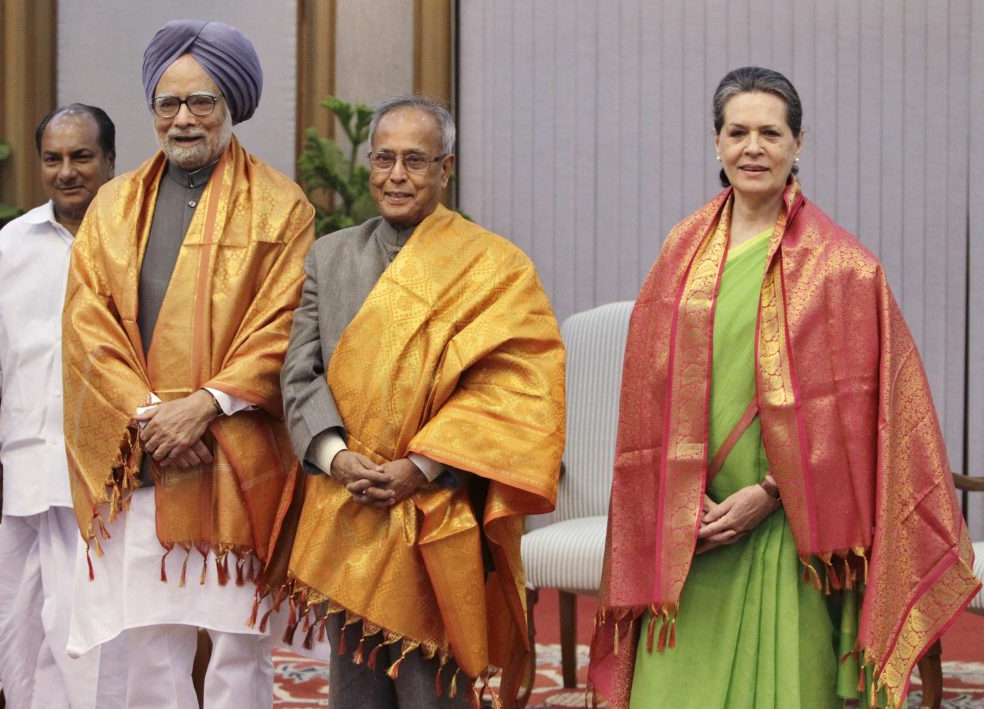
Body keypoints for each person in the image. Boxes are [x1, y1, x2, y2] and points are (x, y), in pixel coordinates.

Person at [589, 66, 979, 708]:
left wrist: (769, 493)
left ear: (798, 144)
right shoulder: (681, 248)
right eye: (737, 131)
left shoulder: (843, 268)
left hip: (788, 523)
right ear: (716, 142)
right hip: (689, 523)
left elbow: (864, 413)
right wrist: (680, 497)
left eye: (770, 132)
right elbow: (648, 391)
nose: (753, 147)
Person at [274, 94, 565, 707]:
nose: (396, 175)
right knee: (354, 683)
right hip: (349, 501)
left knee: (432, 688)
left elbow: (512, 389)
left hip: (438, 506)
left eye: (414, 160)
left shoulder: (495, 267)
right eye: (384, 159)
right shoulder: (331, 256)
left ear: (444, 168)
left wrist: (421, 467)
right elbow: (300, 375)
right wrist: (335, 457)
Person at [61, 20, 314, 708]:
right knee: (152, 636)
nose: (182, 118)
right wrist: (151, 417)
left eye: (201, 101)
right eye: (167, 104)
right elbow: (90, 329)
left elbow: (284, 325)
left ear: (231, 105)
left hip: (236, 450)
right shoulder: (111, 208)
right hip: (147, 451)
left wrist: (205, 405)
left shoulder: (281, 206)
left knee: (239, 643)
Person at [0, 104, 123, 708]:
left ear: (110, 159)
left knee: (92, 628)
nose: (66, 171)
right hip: (27, 465)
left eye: (82, 156)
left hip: (109, 477)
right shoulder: (12, 243)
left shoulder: (133, 246)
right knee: (20, 620)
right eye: (53, 159)